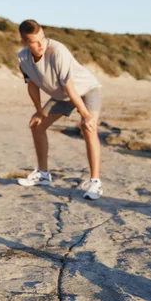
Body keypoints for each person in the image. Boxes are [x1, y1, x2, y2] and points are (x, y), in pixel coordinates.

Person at [16, 20, 104, 200]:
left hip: (86, 90)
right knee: (37, 125)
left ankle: (95, 182)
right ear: (24, 42)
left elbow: (70, 87)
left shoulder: (57, 51)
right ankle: (43, 174)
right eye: (34, 41)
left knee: (88, 127)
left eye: (42, 38)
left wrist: (86, 116)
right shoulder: (23, 58)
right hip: (62, 95)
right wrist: (39, 111)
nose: (40, 45)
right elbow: (32, 84)